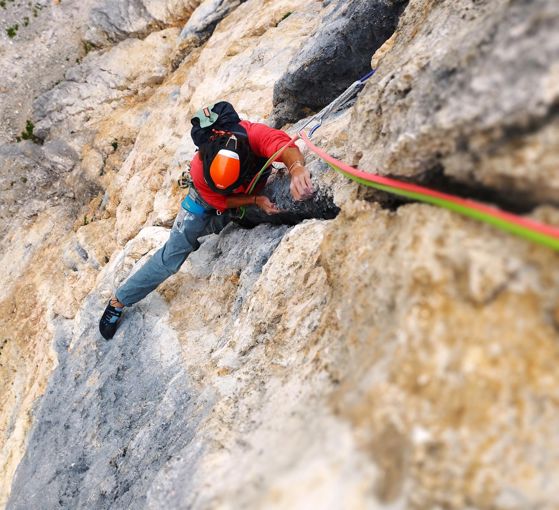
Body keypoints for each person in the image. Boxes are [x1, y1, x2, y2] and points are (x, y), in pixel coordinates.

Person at [99, 102, 313, 339]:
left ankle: (205, 231)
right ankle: (119, 300)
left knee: (215, 225)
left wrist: (296, 169)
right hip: (202, 202)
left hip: (236, 196)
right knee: (173, 254)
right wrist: (253, 199)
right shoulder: (199, 169)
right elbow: (222, 201)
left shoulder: (253, 135)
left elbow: (285, 147)